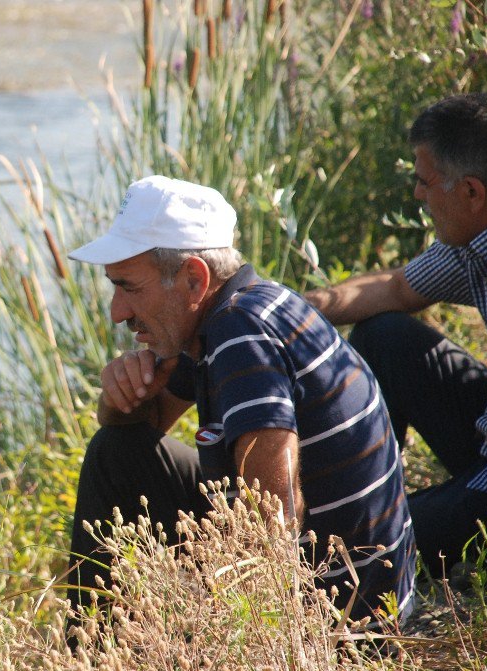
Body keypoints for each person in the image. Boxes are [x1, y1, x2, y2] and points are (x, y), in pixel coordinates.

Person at [65, 175, 416, 627]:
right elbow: (139, 434)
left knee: (110, 457)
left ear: (194, 279)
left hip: (345, 625)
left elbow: (275, 519)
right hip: (376, 597)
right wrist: (119, 397)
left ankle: (90, 654)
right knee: (115, 451)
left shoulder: (240, 335)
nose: (117, 312)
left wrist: (220, 628)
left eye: (129, 288)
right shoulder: (244, 309)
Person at [305, 92, 487, 580]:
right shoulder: (475, 242)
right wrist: (289, 316)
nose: (417, 194)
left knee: (344, 554)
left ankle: (367, 527)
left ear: (472, 192)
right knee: (384, 334)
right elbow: (393, 289)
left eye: (424, 181)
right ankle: (359, 494)